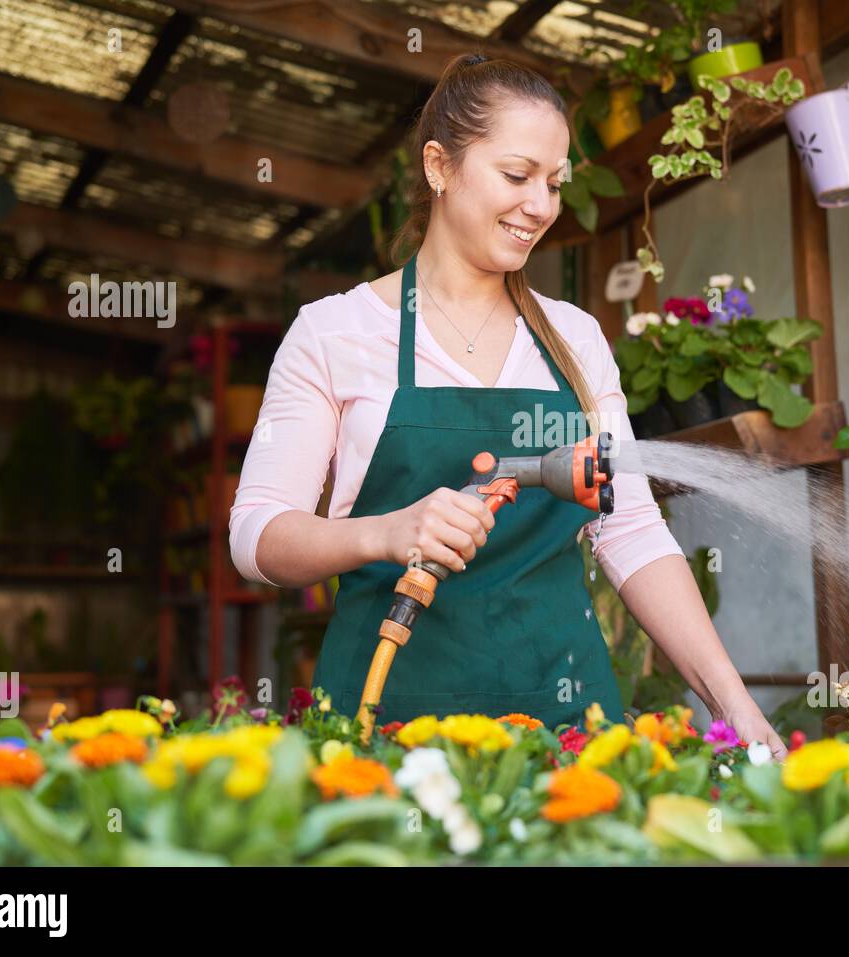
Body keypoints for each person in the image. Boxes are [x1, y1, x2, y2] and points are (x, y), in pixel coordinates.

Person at [229, 52, 786, 759]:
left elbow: (634, 534)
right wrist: (387, 531)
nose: (542, 205)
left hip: (569, 732)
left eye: (555, 183)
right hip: (385, 733)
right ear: (438, 165)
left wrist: (738, 711)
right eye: (518, 176)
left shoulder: (575, 340)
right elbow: (255, 537)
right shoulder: (337, 332)